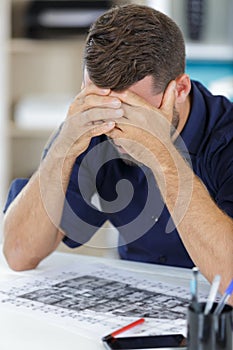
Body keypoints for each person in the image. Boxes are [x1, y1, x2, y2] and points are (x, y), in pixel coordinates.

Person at [2, 4, 233, 303]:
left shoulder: (225, 137)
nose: (115, 127)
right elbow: (19, 254)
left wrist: (163, 156)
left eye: (133, 111)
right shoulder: (95, 122)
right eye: (100, 104)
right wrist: (63, 149)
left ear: (180, 89)